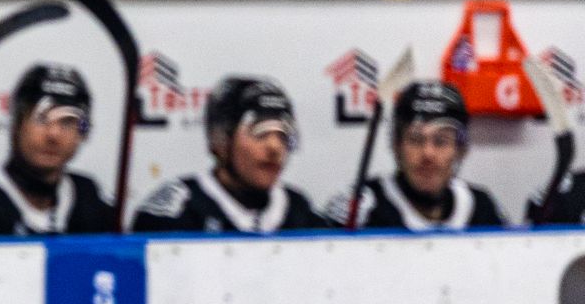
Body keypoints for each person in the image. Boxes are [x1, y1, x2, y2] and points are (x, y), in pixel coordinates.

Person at [0, 64, 118, 236]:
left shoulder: (92, 199)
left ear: (83, 133)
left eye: (67, 122)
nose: (53, 134)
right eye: (41, 118)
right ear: (17, 124)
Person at [132, 76, 328, 234]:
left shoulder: (298, 211)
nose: (275, 147)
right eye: (261, 133)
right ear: (221, 140)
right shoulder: (178, 213)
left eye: (283, 134)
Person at [323, 81, 505, 231]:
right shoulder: (367, 210)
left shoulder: (480, 209)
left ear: (460, 149)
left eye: (441, 141)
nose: (428, 153)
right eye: (416, 139)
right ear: (397, 146)